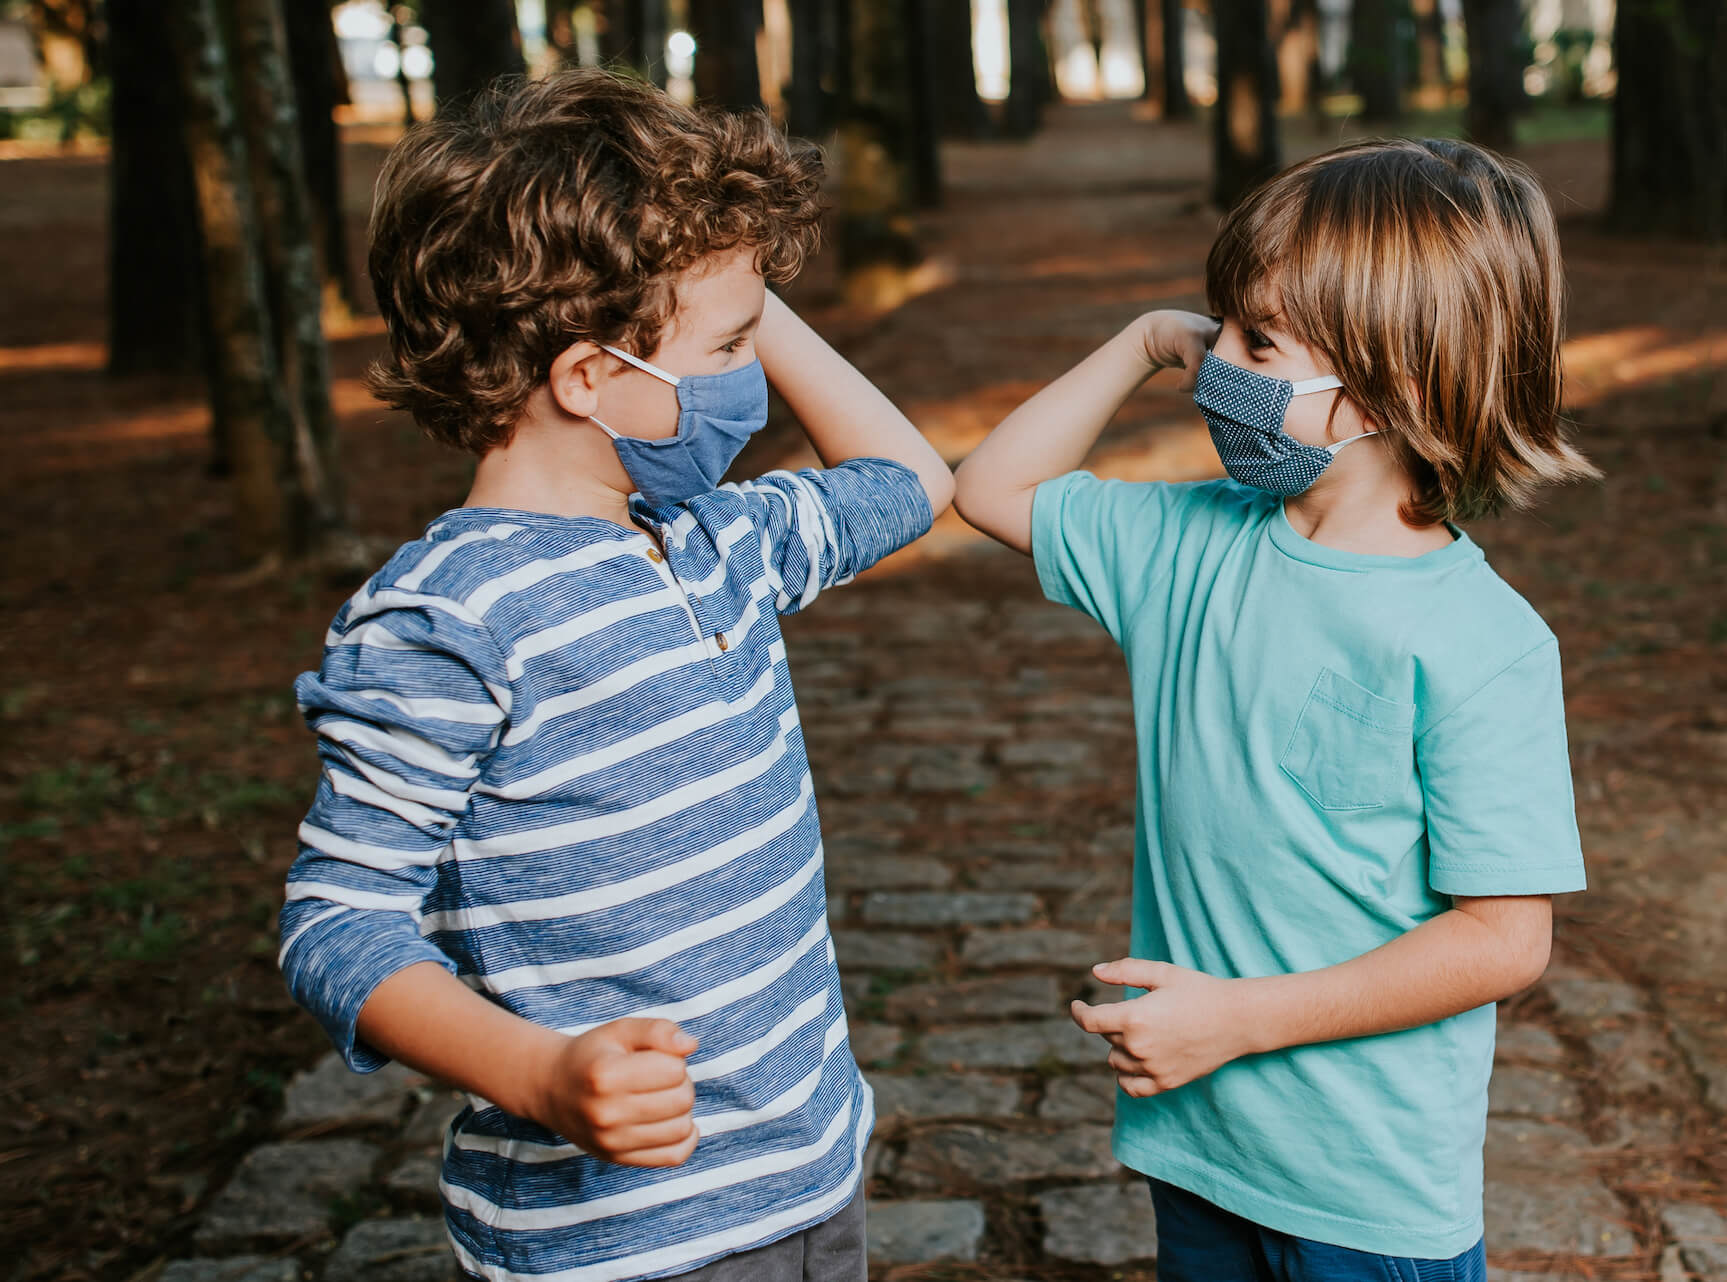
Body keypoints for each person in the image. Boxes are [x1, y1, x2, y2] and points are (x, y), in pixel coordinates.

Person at [277, 71, 952, 1282]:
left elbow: (908, 478)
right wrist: (536, 1073)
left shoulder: (717, 543)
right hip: (622, 1243)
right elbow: (338, 921)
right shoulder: (450, 618)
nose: (752, 377)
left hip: (810, 1177)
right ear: (586, 378)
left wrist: (729, 276)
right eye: (734, 349)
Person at [952, 138, 1598, 1281]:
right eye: (1216, 333)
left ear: (1389, 384)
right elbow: (991, 488)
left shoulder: (1482, 644)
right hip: (1201, 1146)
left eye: (1255, 343)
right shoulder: (1188, 544)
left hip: (1369, 1189)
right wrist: (1145, 340)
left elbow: (1506, 937)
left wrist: (1242, 1019)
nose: (1217, 371)